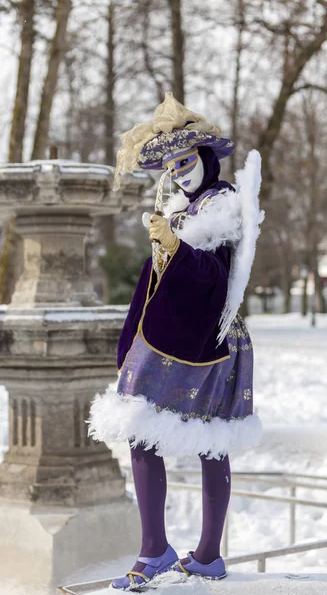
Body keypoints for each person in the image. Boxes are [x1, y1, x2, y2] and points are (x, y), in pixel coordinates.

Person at [88, 92, 264, 591]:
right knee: (139, 427)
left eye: (184, 162)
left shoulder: (225, 205)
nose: (178, 173)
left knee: (213, 441)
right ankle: (155, 547)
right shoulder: (181, 208)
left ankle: (208, 554)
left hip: (211, 338)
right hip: (169, 334)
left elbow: (217, 276)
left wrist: (176, 245)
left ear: (205, 159)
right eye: (170, 166)